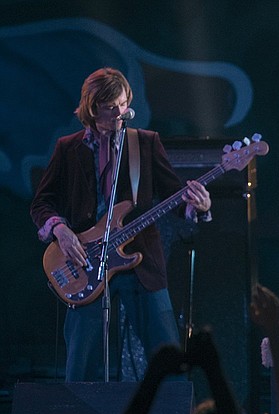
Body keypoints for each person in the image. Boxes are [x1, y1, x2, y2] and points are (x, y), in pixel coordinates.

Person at [30, 67, 212, 382]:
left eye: (123, 104)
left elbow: (175, 196)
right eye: (111, 107)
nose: (120, 113)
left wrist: (199, 205)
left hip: (140, 259)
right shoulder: (67, 148)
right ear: (92, 107)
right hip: (85, 262)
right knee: (80, 366)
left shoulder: (145, 143)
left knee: (168, 357)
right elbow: (41, 203)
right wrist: (61, 231)